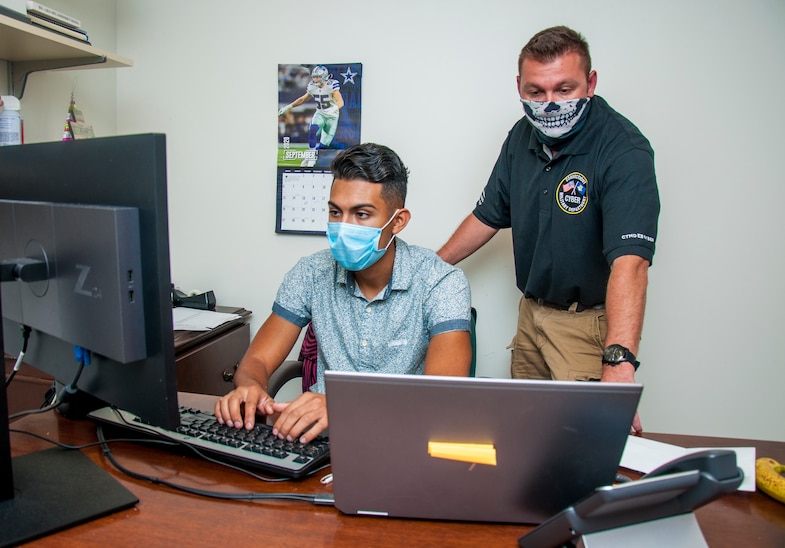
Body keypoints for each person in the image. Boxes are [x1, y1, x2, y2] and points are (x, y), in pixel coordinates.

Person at [437, 26, 659, 433]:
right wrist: (427, 271)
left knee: (580, 450)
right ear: (519, 86)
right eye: (536, 92)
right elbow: (487, 216)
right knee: (525, 439)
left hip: (586, 326)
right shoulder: (522, 136)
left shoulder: (623, 150)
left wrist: (619, 364)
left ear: (590, 83)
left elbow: (631, 265)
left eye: (564, 89)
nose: (549, 104)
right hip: (531, 316)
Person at [216, 143, 472, 443]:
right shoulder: (311, 272)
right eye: (335, 212)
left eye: (362, 214)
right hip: (318, 437)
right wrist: (250, 387)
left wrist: (343, 409)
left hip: (403, 436)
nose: (343, 226)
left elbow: (441, 398)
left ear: (398, 221)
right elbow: (256, 360)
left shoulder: (441, 282)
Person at [278, 65, 344, 149]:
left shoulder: (331, 85)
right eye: (314, 77)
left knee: (323, 146)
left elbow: (340, 102)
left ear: (324, 77)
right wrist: (288, 107)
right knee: (312, 131)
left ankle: (315, 155)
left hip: (332, 117)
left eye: (318, 77)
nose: (315, 79)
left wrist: (333, 109)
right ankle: (311, 154)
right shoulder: (312, 86)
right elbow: (303, 99)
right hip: (320, 113)